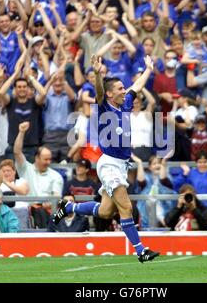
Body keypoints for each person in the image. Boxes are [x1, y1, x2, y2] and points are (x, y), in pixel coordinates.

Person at [53, 54, 160, 263]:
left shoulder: (125, 104)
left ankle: (69, 208)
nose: (125, 91)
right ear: (111, 93)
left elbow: (136, 86)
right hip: (109, 164)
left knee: (105, 211)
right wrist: (96, 74)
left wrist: (148, 69)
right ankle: (141, 251)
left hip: (120, 166)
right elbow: (99, 92)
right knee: (126, 207)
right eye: (120, 89)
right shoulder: (104, 106)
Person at [14, 121, 63, 228]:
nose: (48, 162)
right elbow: (17, 152)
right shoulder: (26, 168)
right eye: (45, 159)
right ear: (36, 158)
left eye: (50, 159)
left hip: (46, 211)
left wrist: (44, 205)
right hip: (26, 210)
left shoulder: (56, 176)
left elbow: (56, 197)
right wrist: (21, 132)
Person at [131, 152, 176, 229]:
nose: (157, 165)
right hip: (147, 212)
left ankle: (164, 222)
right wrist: (139, 163)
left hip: (165, 210)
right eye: (154, 164)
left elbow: (163, 179)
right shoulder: (147, 177)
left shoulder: (167, 176)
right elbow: (140, 181)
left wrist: (164, 162)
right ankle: (159, 224)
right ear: (150, 167)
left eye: (159, 163)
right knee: (150, 200)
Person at [0, 159, 30, 229]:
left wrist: (6, 182)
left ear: (14, 171)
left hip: (19, 212)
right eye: (3, 171)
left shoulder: (21, 181)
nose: (6, 173)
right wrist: (0, 181)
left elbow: (23, 191)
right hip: (1, 213)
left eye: (8, 171)